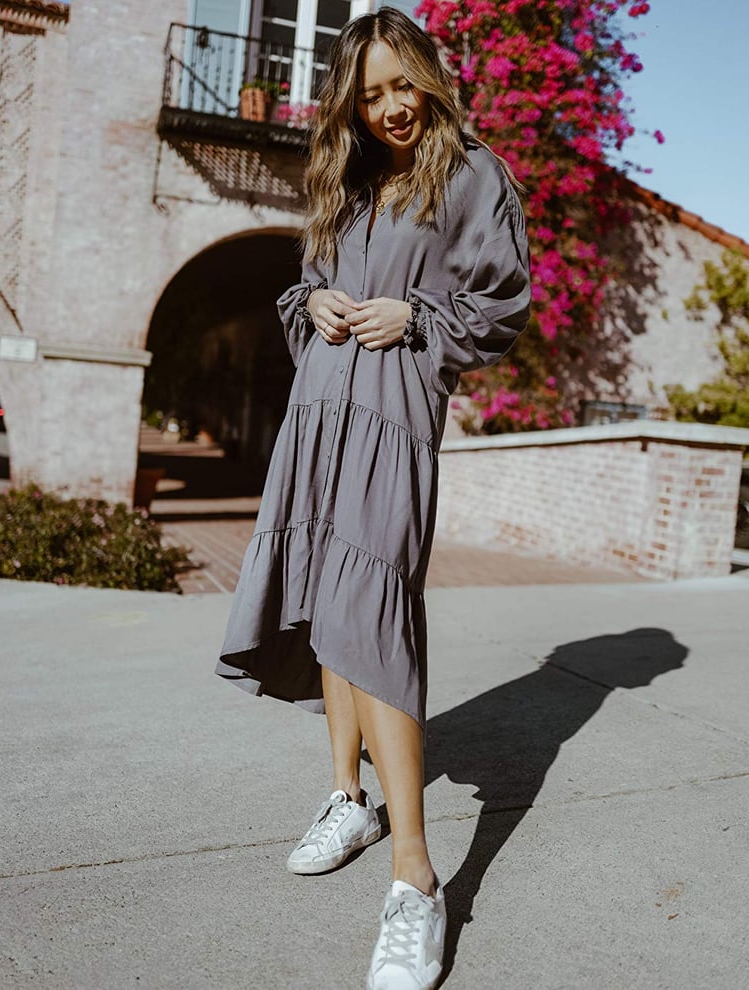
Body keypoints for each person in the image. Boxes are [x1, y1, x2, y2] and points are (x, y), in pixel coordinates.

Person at [216, 8, 531, 988]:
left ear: (431, 78)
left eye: (406, 85)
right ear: (351, 102)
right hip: (319, 414)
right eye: (374, 91)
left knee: (374, 612)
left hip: (394, 419)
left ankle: (416, 881)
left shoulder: (472, 174)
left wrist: (418, 313)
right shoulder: (349, 184)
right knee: (329, 607)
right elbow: (307, 285)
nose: (393, 107)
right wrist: (310, 301)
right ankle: (349, 797)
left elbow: (503, 304)